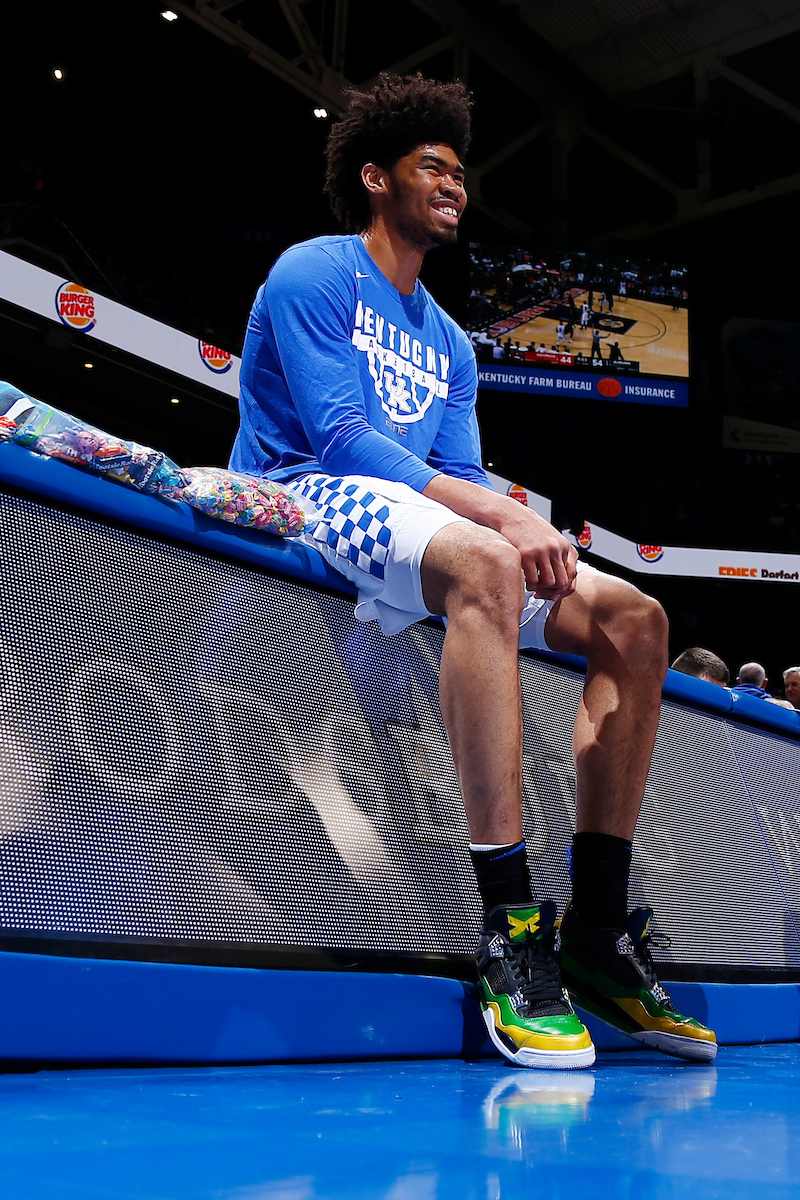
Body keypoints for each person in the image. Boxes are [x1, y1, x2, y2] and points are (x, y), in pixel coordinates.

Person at [230, 72, 716, 1070]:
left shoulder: (448, 340)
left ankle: (594, 931)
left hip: (417, 517)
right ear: (375, 177)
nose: (454, 184)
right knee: (491, 560)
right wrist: (502, 515)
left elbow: (449, 472)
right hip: (304, 490)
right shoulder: (314, 273)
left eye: (459, 171)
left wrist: (496, 512)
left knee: (636, 619)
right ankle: (509, 931)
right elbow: (341, 437)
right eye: (431, 167)